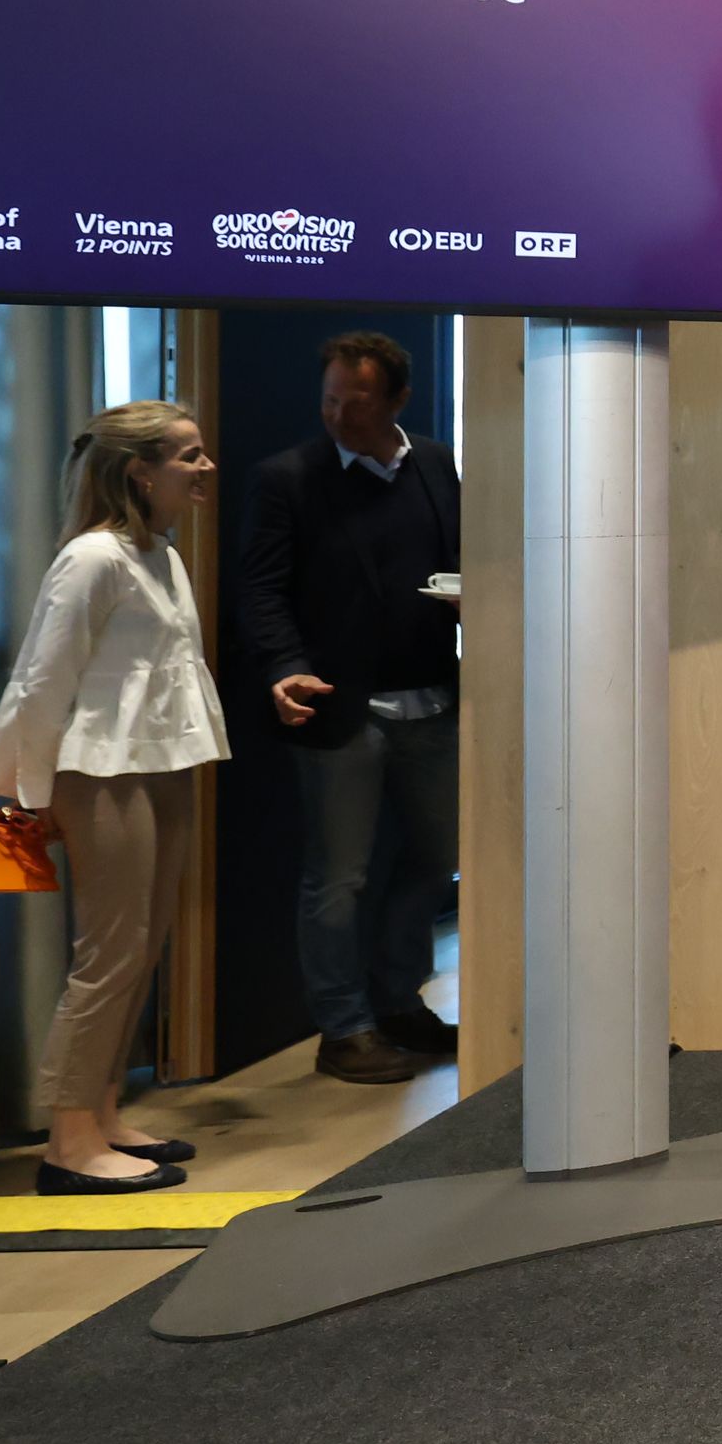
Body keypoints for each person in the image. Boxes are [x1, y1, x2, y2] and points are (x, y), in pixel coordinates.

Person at [0, 400, 231, 1193]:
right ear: (139, 471)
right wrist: (26, 791)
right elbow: (42, 677)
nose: (205, 467)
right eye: (189, 456)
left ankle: (105, 1111)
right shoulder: (92, 558)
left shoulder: (157, 551)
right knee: (110, 951)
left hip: (162, 762)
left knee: (146, 943)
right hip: (98, 770)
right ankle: (70, 1141)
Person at [235, 329, 463, 1084]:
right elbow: (263, 590)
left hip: (434, 698)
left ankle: (399, 1001)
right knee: (339, 876)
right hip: (341, 706)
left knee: (439, 859)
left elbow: (459, 559)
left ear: (397, 398)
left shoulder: (432, 460)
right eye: (329, 399)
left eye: (356, 403)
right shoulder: (288, 478)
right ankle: (345, 1028)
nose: (338, 416)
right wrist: (286, 667)